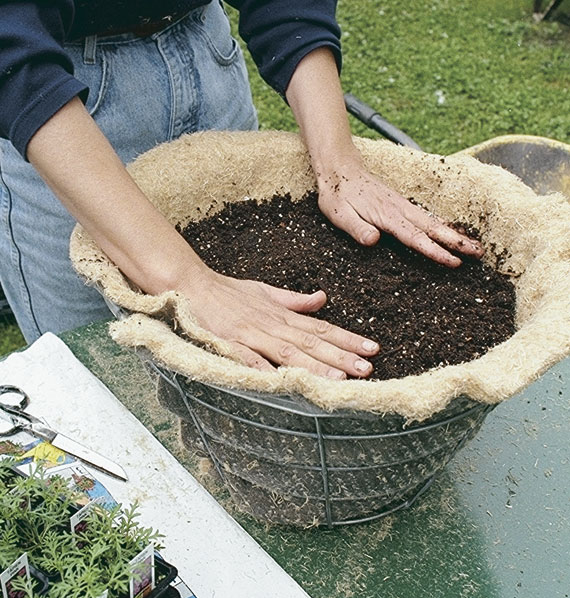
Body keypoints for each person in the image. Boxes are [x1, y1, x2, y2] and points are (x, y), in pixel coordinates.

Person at [0, 1, 482, 379]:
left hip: (204, 49)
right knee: (105, 382)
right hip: (54, 107)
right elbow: (12, 49)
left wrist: (339, 164)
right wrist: (190, 283)